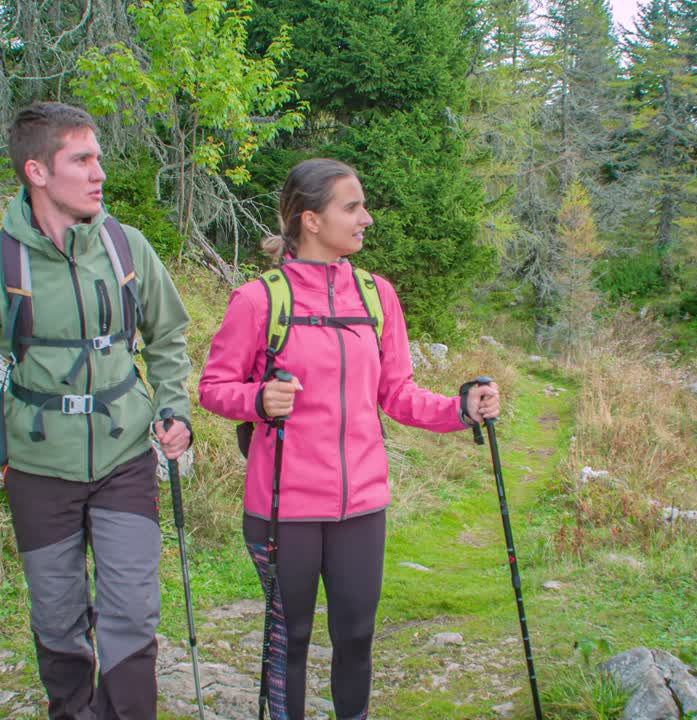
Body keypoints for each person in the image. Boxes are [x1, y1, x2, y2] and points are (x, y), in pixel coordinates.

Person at [0, 102, 192, 720]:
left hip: (124, 455)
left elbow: (169, 336)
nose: (99, 174)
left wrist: (174, 408)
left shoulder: (127, 248)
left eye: (98, 158)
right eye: (82, 159)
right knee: (58, 616)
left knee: (131, 611)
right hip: (38, 466)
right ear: (37, 171)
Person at [197, 158, 500, 720]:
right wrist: (257, 399)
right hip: (282, 506)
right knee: (291, 639)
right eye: (352, 207)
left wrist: (461, 410)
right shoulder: (260, 300)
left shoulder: (376, 295)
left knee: (357, 635)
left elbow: (397, 393)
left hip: (361, 503)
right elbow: (213, 387)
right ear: (311, 220)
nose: (366, 218)